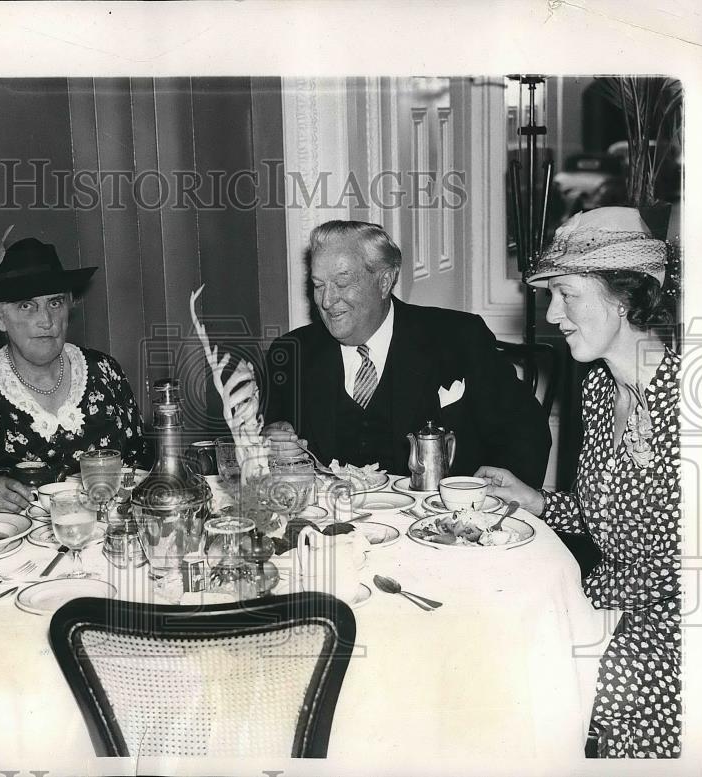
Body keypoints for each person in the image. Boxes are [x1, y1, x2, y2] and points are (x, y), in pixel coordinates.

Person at [476, 206, 680, 758]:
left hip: (677, 630)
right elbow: (609, 513)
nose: (554, 313)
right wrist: (537, 500)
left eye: (568, 294)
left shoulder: (691, 403)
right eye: (550, 296)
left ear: (624, 296)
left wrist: (622, 637)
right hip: (605, 602)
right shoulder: (596, 388)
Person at [263, 220, 551, 488]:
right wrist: (270, 441)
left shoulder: (460, 337)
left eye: (342, 283)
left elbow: (527, 432)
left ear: (385, 281)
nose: (327, 301)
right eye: (318, 285)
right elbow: (267, 442)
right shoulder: (292, 353)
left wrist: (486, 509)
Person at [0, 234, 144, 519]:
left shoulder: (104, 372)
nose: (46, 320)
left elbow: (139, 462)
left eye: (55, 303)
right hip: (8, 552)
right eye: (26, 305)